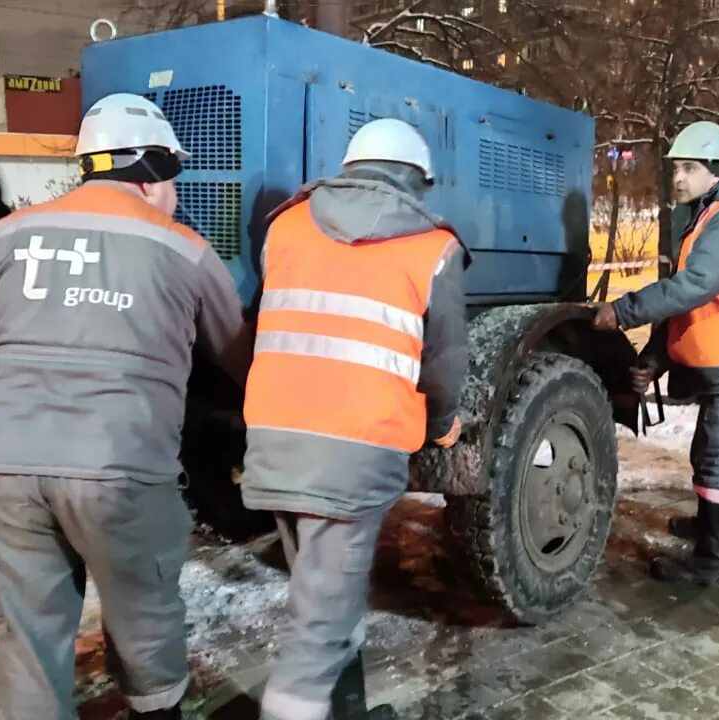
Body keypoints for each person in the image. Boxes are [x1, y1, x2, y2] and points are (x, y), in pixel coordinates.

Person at [0, 92, 253, 720]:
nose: (177, 193)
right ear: (152, 171)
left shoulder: (3, 235)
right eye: (174, 177)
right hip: (122, 467)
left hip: (2, 467)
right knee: (144, 612)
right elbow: (240, 359)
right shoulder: (183, 248)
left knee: (28, 633)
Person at [242, 117, 467, 720]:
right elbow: (444, 362)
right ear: (415, 181)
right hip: (354, 452)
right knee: (318, 628)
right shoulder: (432, 246)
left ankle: (346, 709)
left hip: (274, 438)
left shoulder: (285, 225)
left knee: (323, 596)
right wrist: (443, 424)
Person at [593, 120, 719, 588]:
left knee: (715, 455)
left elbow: (692, 288)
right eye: (675, 169)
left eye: (689, 168)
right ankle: (716, 526)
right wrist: (652, 359)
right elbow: (691, 307)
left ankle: (716, 560)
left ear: (716, 171)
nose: (679, 178)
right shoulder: (707, 218)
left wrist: (623, 311)